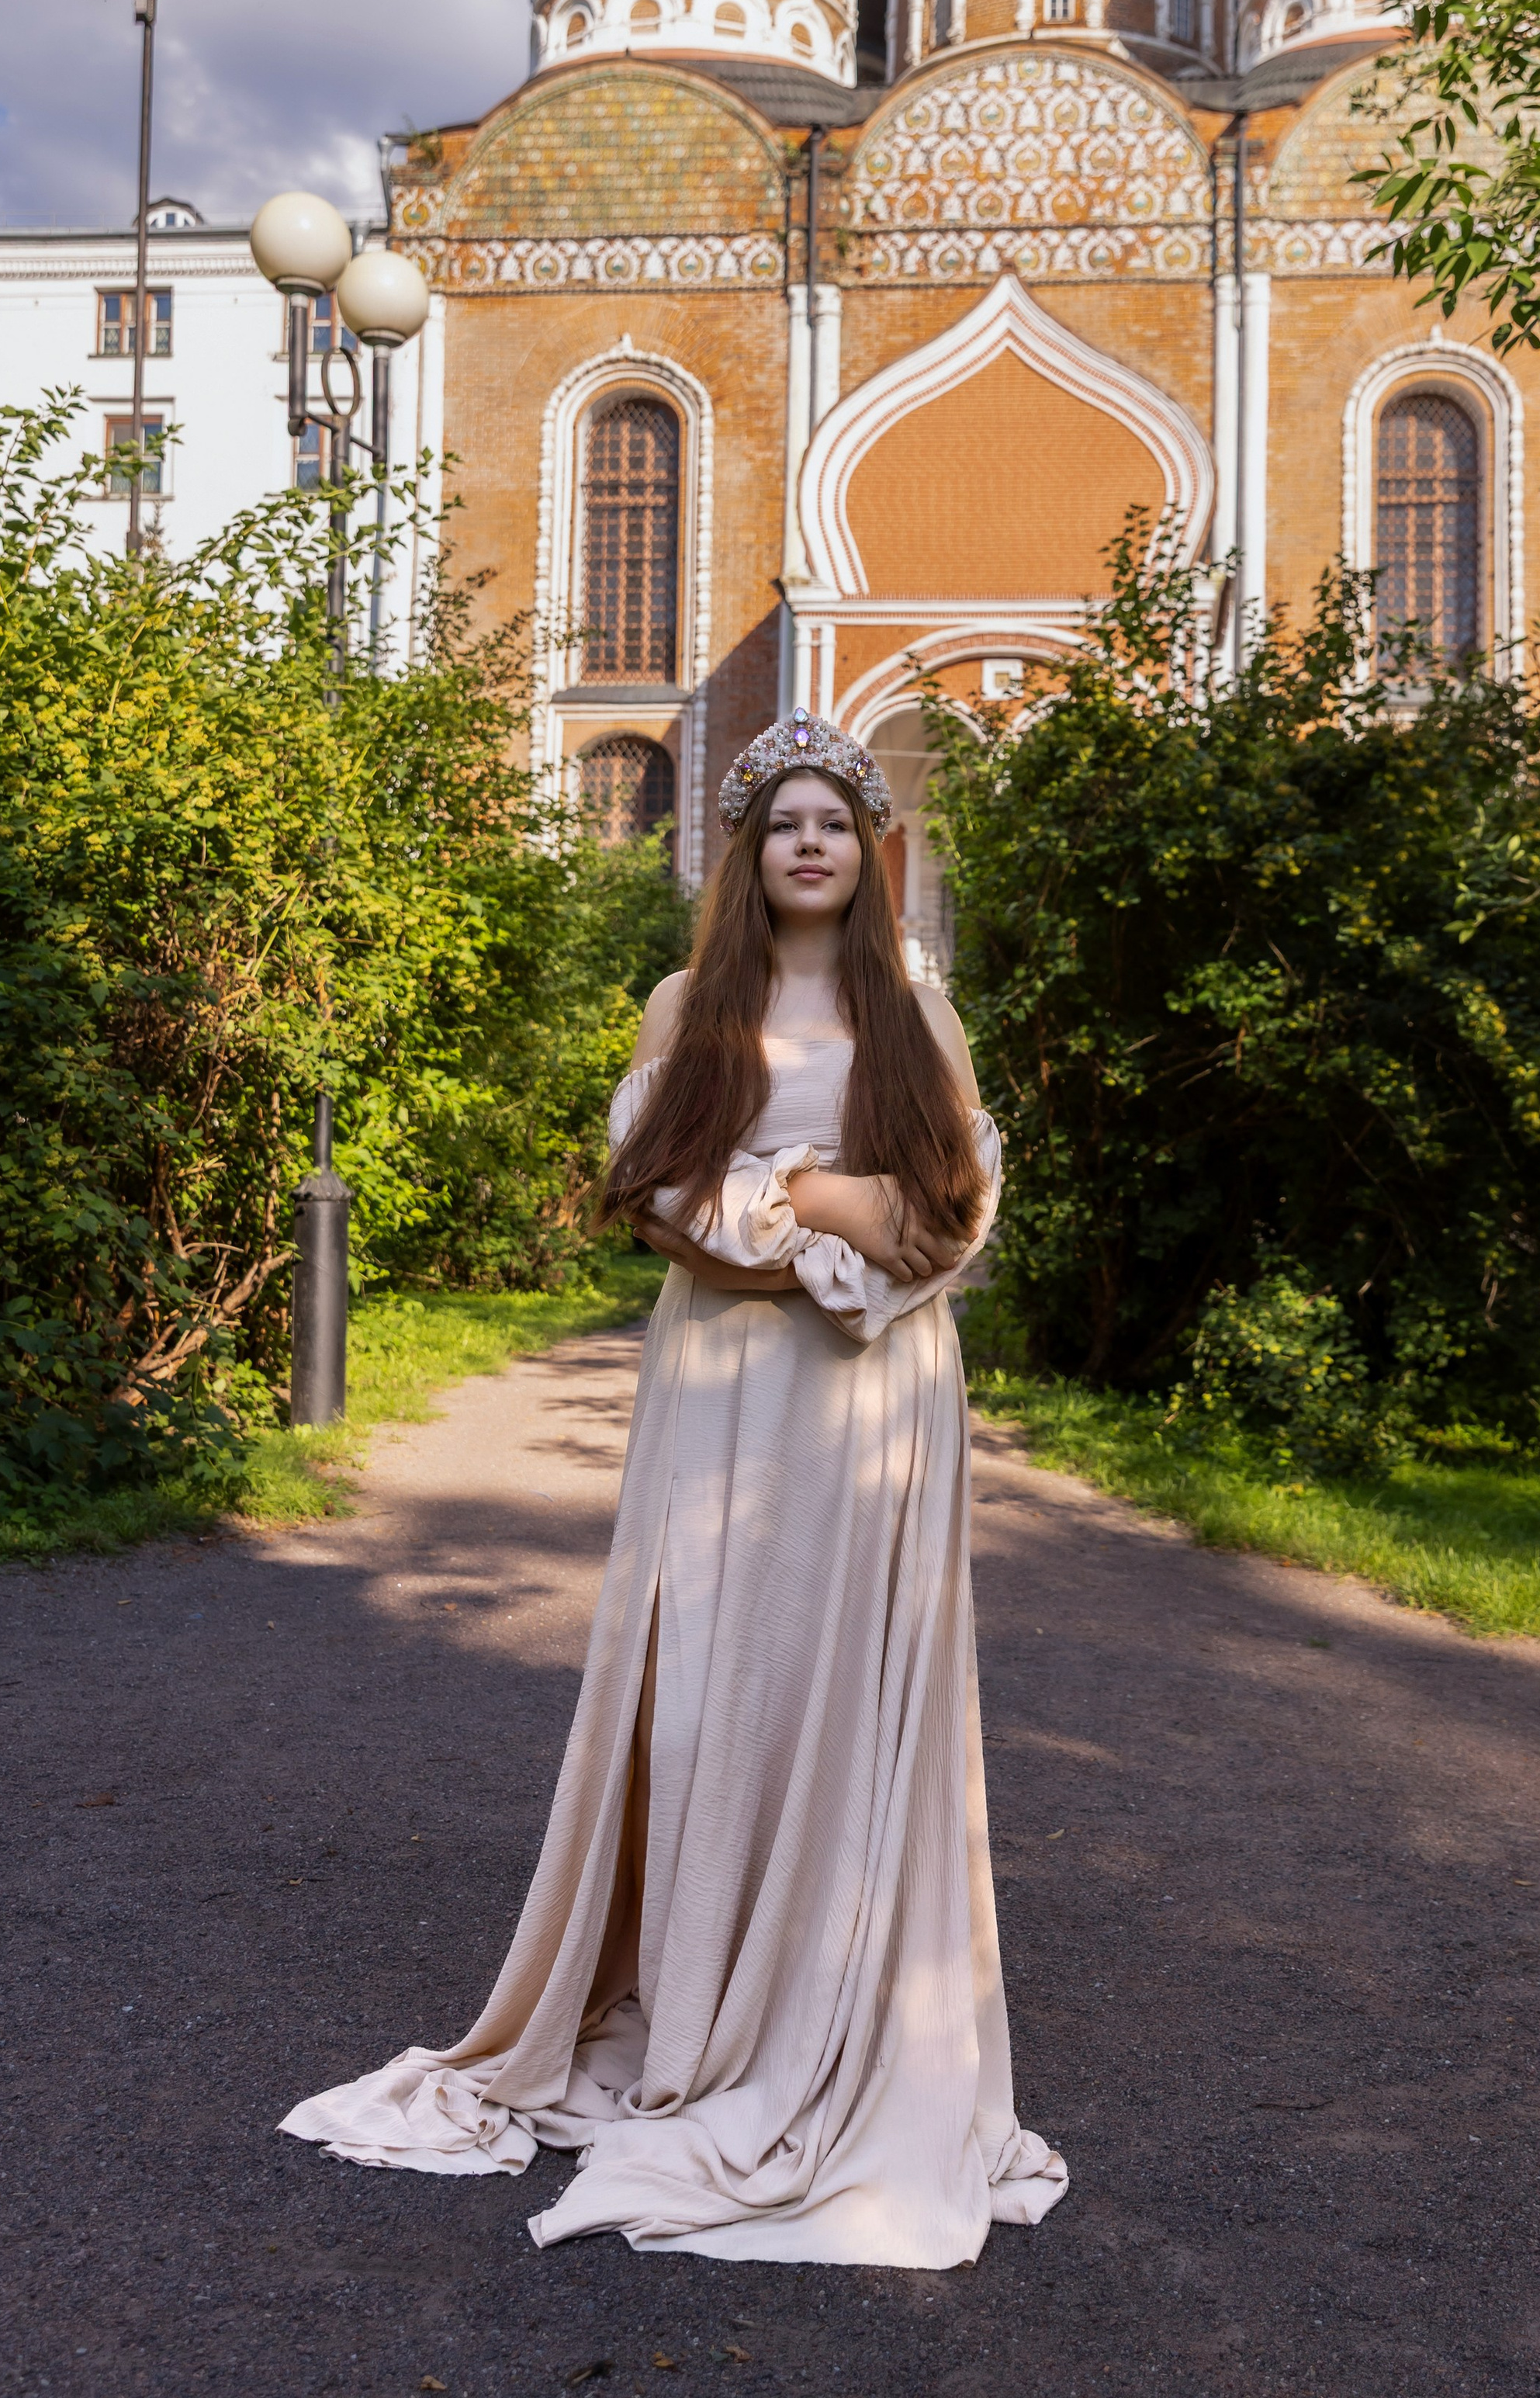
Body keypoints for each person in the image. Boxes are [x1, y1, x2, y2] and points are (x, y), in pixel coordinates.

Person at [281, 708, 1068, 2265]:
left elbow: (951, 1217)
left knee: (845, 1702)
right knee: (711, 1693)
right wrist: (830, 1198)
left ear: (869, 844)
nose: (808, 845)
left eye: (832, 821)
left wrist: (785, 1202)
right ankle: (700, 2006)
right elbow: (660, 1207)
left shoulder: (920, 1005)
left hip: (875, 1406)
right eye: (781, 824)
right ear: (746, 852)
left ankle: (831, 2008)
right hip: (718, 1397)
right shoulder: (682, 1004)